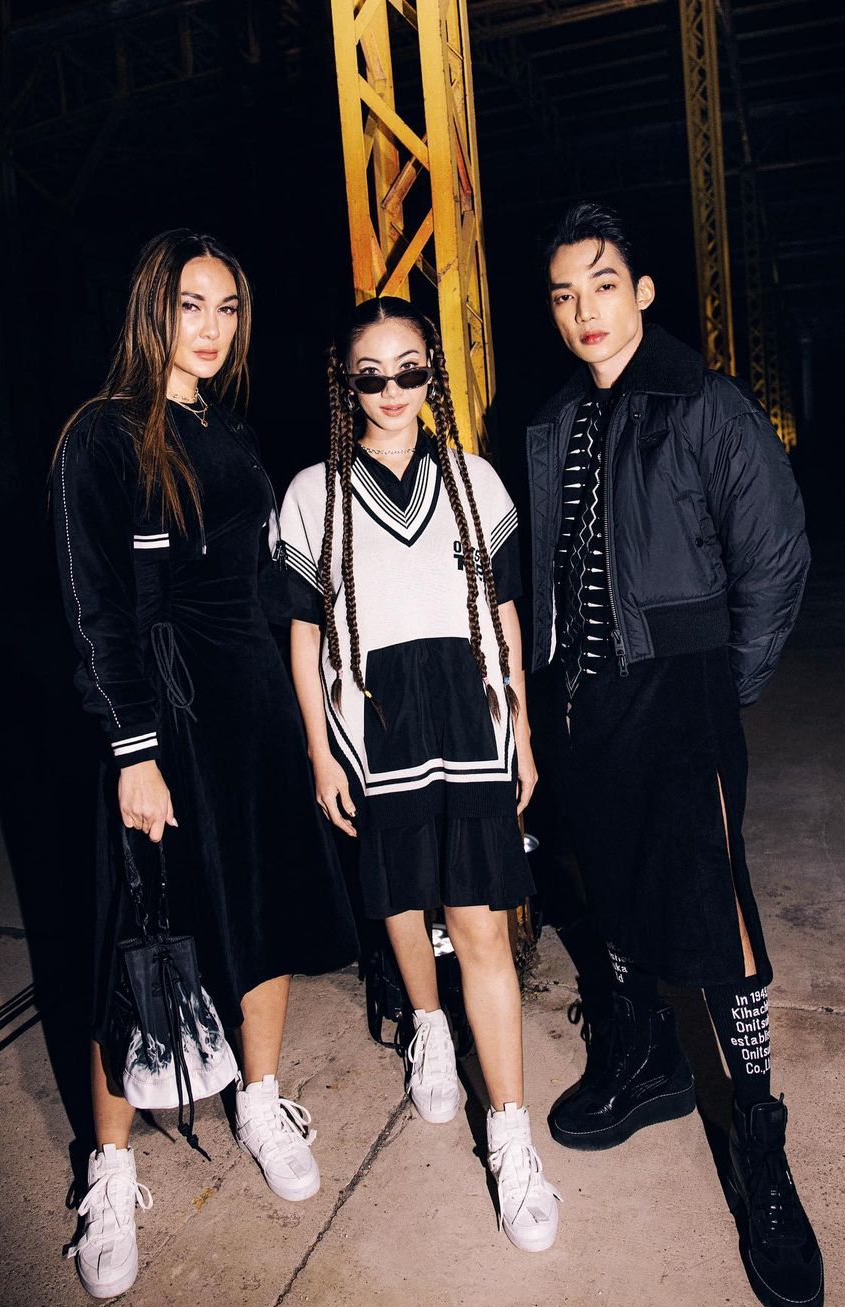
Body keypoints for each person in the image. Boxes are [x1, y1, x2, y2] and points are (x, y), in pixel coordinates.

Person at [527, 202, 823, 1307]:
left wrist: (725, 685)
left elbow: (777, 553)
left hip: (682, 688)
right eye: (564, 294)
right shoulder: (555, 418)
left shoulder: (704, 403)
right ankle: (648, 1055)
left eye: (603, 285)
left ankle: (761, 1148)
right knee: (610, 889)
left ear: (642, 292)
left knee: (715, 910)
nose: (585, 311)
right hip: (587, 701)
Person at [52, 229, 358, 1300]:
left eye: (229, 308)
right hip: (163, 722)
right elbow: (94, 607)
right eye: (193, 305)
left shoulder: (230, 432)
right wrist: (132, 748)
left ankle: (260, 1099)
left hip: (253, 705)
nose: (213, 328)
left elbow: (270, 580)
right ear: (154, 310)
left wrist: (318, 697)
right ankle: (110, 1167)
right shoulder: (102, 435)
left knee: (260, 908)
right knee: (141, 935)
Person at [280, 296, 560, 1253]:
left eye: (411, 369)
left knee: (480, 919)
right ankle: (428, 1024)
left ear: (431, 373)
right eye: (372, 374)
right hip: (375, 721)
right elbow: (303, 633)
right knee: (401, 892)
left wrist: (523, 727)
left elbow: (507, 609)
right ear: (346, 382)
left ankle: (512, 1135)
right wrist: (319, 746)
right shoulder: (312, 494)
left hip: (470, 716)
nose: (393, 389)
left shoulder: (474, 480)